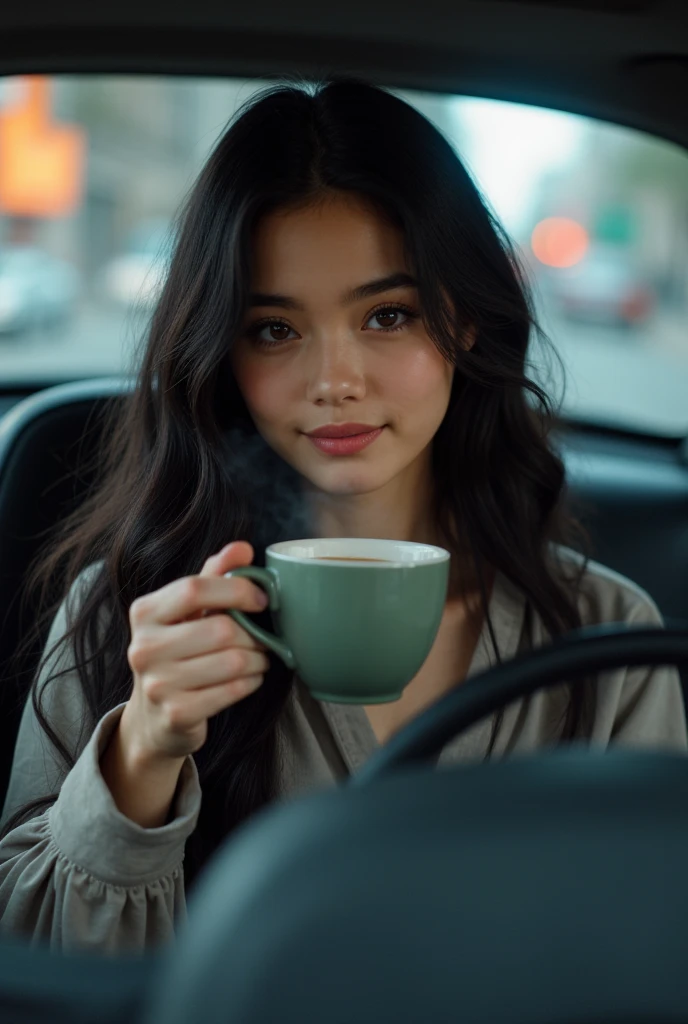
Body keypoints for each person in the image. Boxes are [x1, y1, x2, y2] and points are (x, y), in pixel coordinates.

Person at [0, 76, 685, 956]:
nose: (335, 379)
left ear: (467, 321)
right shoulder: (124, 617)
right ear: (221, 352)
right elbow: (31, 968)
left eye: (388, 315)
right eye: (275, 331)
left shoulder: (606, 636)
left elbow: (653, 953)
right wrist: (142, 749)